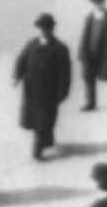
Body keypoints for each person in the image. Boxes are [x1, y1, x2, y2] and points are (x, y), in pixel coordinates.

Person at [13, 13, 72, 160]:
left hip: (49, 94)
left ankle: (36, 153)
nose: (44, 31)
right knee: (39, 121)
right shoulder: (31, 44)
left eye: (47, 28)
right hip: (32, 91)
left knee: (43, 122)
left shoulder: (60, 49)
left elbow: (65, 74)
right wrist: (16, 76)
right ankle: (48, 141)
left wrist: (62, 93)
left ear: (52, 29)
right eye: (41, 28)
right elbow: (21, 60)